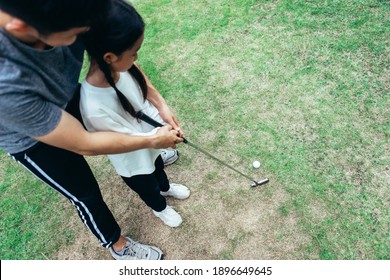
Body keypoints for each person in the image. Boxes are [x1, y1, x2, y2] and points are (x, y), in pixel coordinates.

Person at [0, 0, 183, 260]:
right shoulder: (7, 84)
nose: (83, 37)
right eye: (75, 34)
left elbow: (117, 49)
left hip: (61, 92)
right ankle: (118, 245)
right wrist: (151, 141)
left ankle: (150, 162)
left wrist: (157, 100)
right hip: (29, 138)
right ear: (21, 27)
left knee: (125, 128)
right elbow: (84, 143)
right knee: (85, 193)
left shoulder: (72, 11)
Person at [79, 0, 190, 232]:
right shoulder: (93, 105)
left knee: (158, 166)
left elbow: (140, 79)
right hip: (132, 158)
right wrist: (155, 139)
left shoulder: (123, 66)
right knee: (146, 184)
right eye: (134, 53)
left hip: (152, 141)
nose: (136, 59)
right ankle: (159, 207)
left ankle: (165, 187)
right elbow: (116, 143)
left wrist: (162, 109)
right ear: (109, 56)